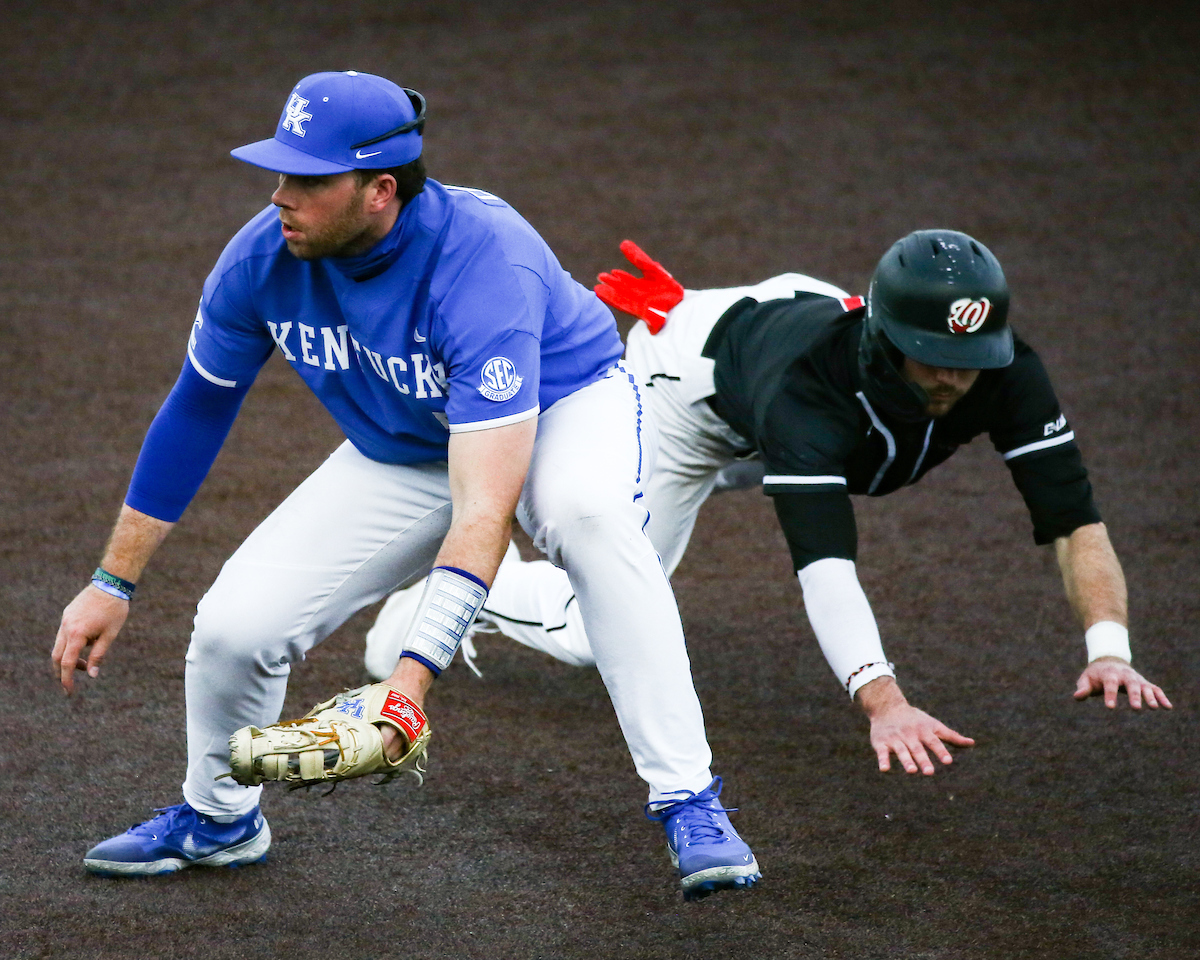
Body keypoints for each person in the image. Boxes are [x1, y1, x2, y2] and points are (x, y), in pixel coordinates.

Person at [51, 72, 759, 899]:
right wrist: (113, 579)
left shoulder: (481, 263)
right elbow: (197, 409)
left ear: (381, 189)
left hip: (561, 406)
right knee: (233, 629)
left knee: (588, 518)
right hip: (406, 442)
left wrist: (408, 685)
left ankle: (687, 798)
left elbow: (486, 508)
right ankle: (219, 820)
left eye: (308, 180)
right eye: (279, 173)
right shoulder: (262, 256)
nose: (281, 196)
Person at [366, 232, 1172, 777]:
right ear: (887, 341)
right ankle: (446, 599)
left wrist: (1111, 647)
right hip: (686, 398)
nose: (952, 381)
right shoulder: (810, 401)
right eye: (931, 358)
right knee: (594, 628)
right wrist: (882, 701)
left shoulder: (1002, 371)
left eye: (970, 359)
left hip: (772, 346)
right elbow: (825, 566)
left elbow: (1073, 519)